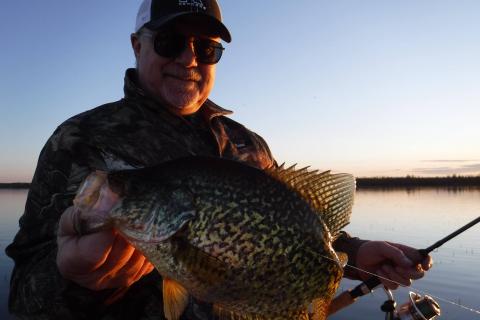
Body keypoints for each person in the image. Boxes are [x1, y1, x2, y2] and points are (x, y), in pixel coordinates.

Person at [6, 0, 432, 319]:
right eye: (171, 42)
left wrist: (355, 254)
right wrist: (73, 279)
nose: (189, 59)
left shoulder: (247, 143)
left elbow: (293, 232)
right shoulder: (79, 140)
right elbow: (23, 294)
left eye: (206, 49)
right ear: (137, 46)